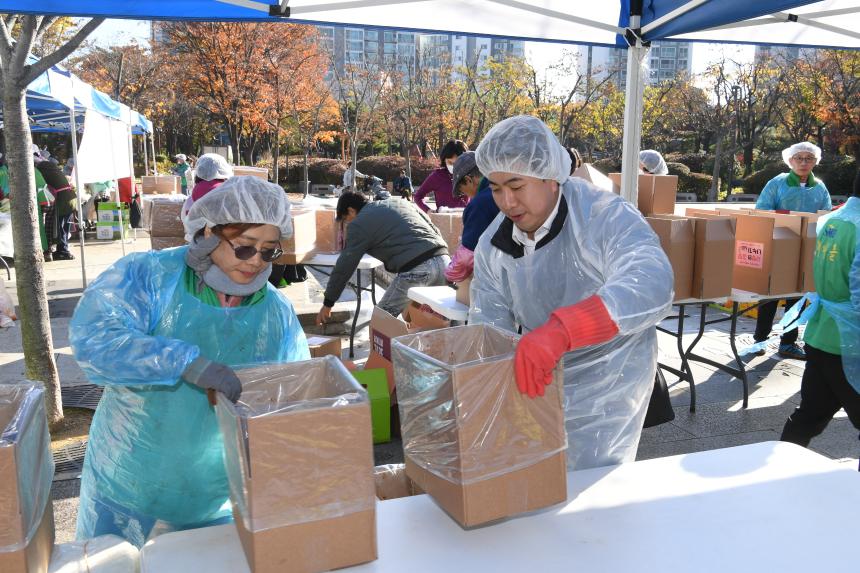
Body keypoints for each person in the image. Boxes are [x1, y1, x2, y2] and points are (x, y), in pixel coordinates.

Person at [70, 176, 310, 547]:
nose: (255, 263)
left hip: (214, 494)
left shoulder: (274, 311)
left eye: (268, 251)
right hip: (128, 484)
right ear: (209, 233)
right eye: (244, 248)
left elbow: (294, 393)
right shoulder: (149, 277)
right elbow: (94, 339)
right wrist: (184, 363)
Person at [469, 116, 673, 470]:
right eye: (496, 188)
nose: (507, 201)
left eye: (517, 185)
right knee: (539, 483)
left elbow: (650, 280)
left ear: (550, 177)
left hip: (612, 376)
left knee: (593, 489)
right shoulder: (494, 245)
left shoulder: (602, 216)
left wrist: (567, 328)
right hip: (541, 375)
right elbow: (488, 322)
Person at [779, 169, 860, 450]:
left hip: (822, 334)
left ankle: (781, 473)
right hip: (851, 344)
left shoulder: (832, 219)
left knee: (809, 415)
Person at [316, 190, 449, 323]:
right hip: (444, 261)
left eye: (345, 219)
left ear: (351, 211)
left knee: (381, 322)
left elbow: (344, 265)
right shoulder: (400, 202)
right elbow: (432, 227)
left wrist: (328, 302)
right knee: (434, 319)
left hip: (417, 269)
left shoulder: (359, 223)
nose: (347, 223)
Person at [754, 142, 832, 360]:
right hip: (778, 246)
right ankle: (759, 340)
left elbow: (825, 216)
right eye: (799, 158)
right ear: (790, 161)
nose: (804, 162)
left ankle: (788, 343)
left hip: (806, 249)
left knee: (797, 297)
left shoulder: (820, 187)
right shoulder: (777, 183)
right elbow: (761, 210)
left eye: (809, 158)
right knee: (770, 294)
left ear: (816, 161)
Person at [444, 151, 500, 283]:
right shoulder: (502, 189)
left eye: (462, 191)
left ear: (469, 180)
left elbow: (466, 258)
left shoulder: (480, 204)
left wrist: (448, 276)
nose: (465, 196)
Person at [36, 151, 76, 260]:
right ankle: (64, 249)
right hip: (70, 198)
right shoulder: (50, 166)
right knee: (65, 226)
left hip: (62, 199)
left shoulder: (40, 168)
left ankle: (63, 252)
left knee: (60, 227)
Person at [414, 139, 469, 212]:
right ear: (444, 160)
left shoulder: (470, 175)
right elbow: (418, 196)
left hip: (468, 220)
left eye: (457, 163)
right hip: (443, 220)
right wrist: (428, 210)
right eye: (450, 162)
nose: (454, 166)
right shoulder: (437, 176)